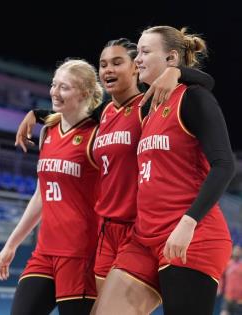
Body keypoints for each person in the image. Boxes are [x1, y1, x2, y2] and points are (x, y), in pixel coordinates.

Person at [16, 39, 214, 314]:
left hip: (140, 226)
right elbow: (73, 113)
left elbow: (202, 88)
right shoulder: (105, 114)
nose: (108, 69)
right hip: (107, 231)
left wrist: (177, 71)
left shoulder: (148, 105)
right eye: (103, 64)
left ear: (136, 68)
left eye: (117, 62)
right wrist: (37, 115)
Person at [95, 26, 235, 315]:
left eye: (146, 52)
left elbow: (224, 165)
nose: (138, 60)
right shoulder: (148, 109)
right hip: (144, 237)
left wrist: (189, 222)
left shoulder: (194, 98)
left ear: (171, 58)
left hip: (191, 236)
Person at [0, 59, 102, 315]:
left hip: (80, 254)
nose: (54, 91)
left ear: (84, 92)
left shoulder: (97, 134)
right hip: (44, 251)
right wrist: (12, 244)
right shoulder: (48, 130)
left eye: (64, 87)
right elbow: (42, 193)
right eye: (54, 85)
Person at [220, 244, 242, 315]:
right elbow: (222, 277)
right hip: (228, 297)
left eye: (238, 251)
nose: (237, 252)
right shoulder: (228, 263)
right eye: (235, 250)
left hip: (239, 300)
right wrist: (220, 287)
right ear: (232, 251)